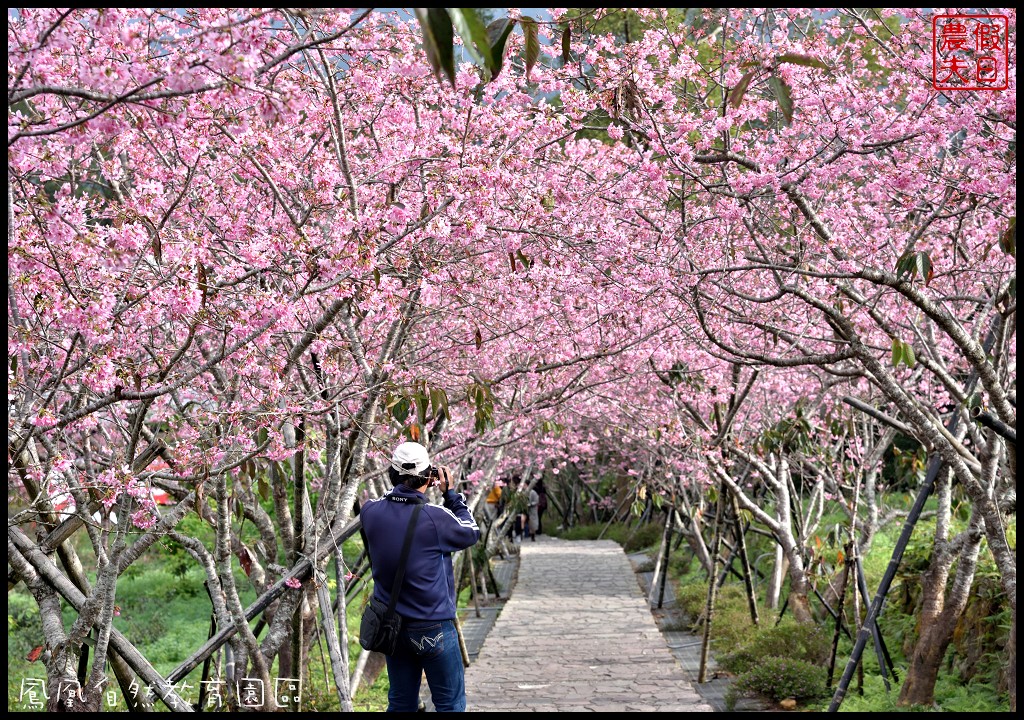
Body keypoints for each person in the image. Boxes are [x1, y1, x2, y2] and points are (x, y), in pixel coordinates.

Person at [359, 441, 481, 712]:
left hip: (393, 627)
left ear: (392, 473)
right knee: (449, 705)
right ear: (429, 476)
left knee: (401, 703)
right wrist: (451, 495)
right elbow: (471, 530)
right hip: (433, 626)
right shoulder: (435, 517)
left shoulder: (370, 511)